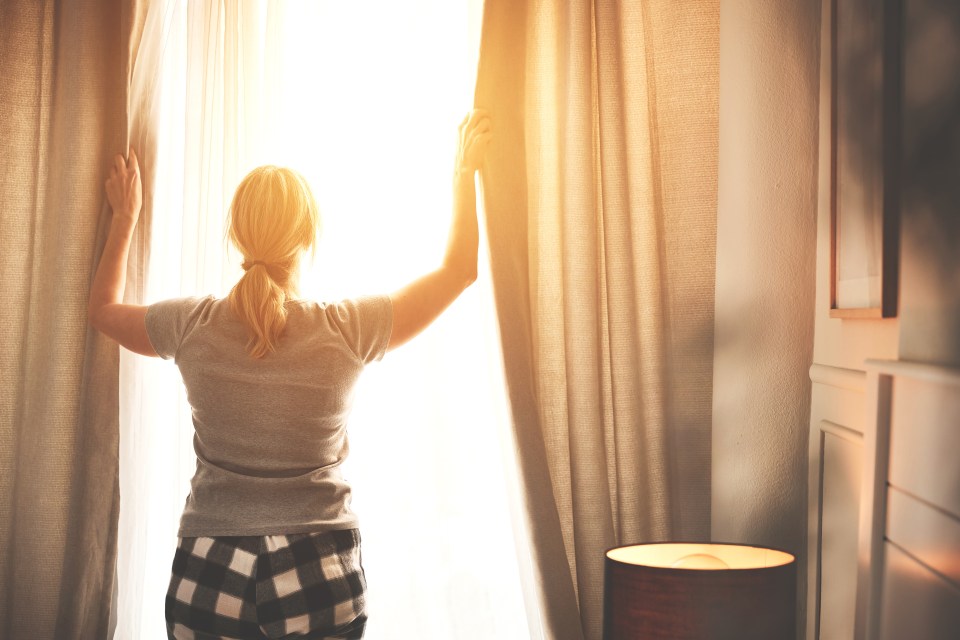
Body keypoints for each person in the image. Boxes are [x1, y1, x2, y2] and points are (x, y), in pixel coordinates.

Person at [89, 110, 492, 639]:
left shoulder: (190, 324)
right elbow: (459, 269)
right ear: (308, 237)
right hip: (317, 566)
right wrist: (463, 175)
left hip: (210, 567)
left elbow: (102, 311)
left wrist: (124, 220)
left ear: (237, 235)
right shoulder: (346, 329)